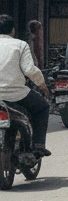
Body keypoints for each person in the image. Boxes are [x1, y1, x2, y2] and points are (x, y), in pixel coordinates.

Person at [0, 13, 51, 156]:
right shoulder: (20, 45)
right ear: (12, 30)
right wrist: (43, 86)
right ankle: (38, 145)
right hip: (16, 95)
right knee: (43, 107)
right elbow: (30, 70)